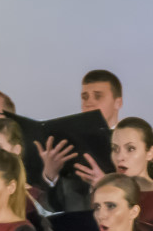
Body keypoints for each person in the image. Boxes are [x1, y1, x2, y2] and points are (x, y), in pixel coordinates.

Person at [39, 70, 123, 213]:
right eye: (85, 97)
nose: (89, 102)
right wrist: (50, 176)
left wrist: (106, 185)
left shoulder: (132, 145)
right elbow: (53, 208)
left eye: (98, 96)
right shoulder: (70, 143)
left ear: (117, 103)